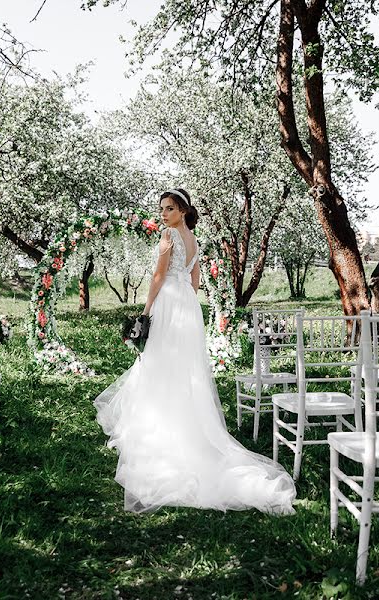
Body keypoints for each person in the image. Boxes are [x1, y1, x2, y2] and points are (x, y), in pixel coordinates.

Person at [94, 188, 296, 514]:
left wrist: (146, 312)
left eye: (169, 208)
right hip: (188, 307)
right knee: (182, 369)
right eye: (161, 208)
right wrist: (183, 295)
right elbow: (197, 283)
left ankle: (158, 433)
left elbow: (159, 275)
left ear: (183, 210)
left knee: (159, 366)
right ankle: (184, 424)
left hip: (169, 302)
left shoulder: (169, 235)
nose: (163, 214)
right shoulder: (194, 240)